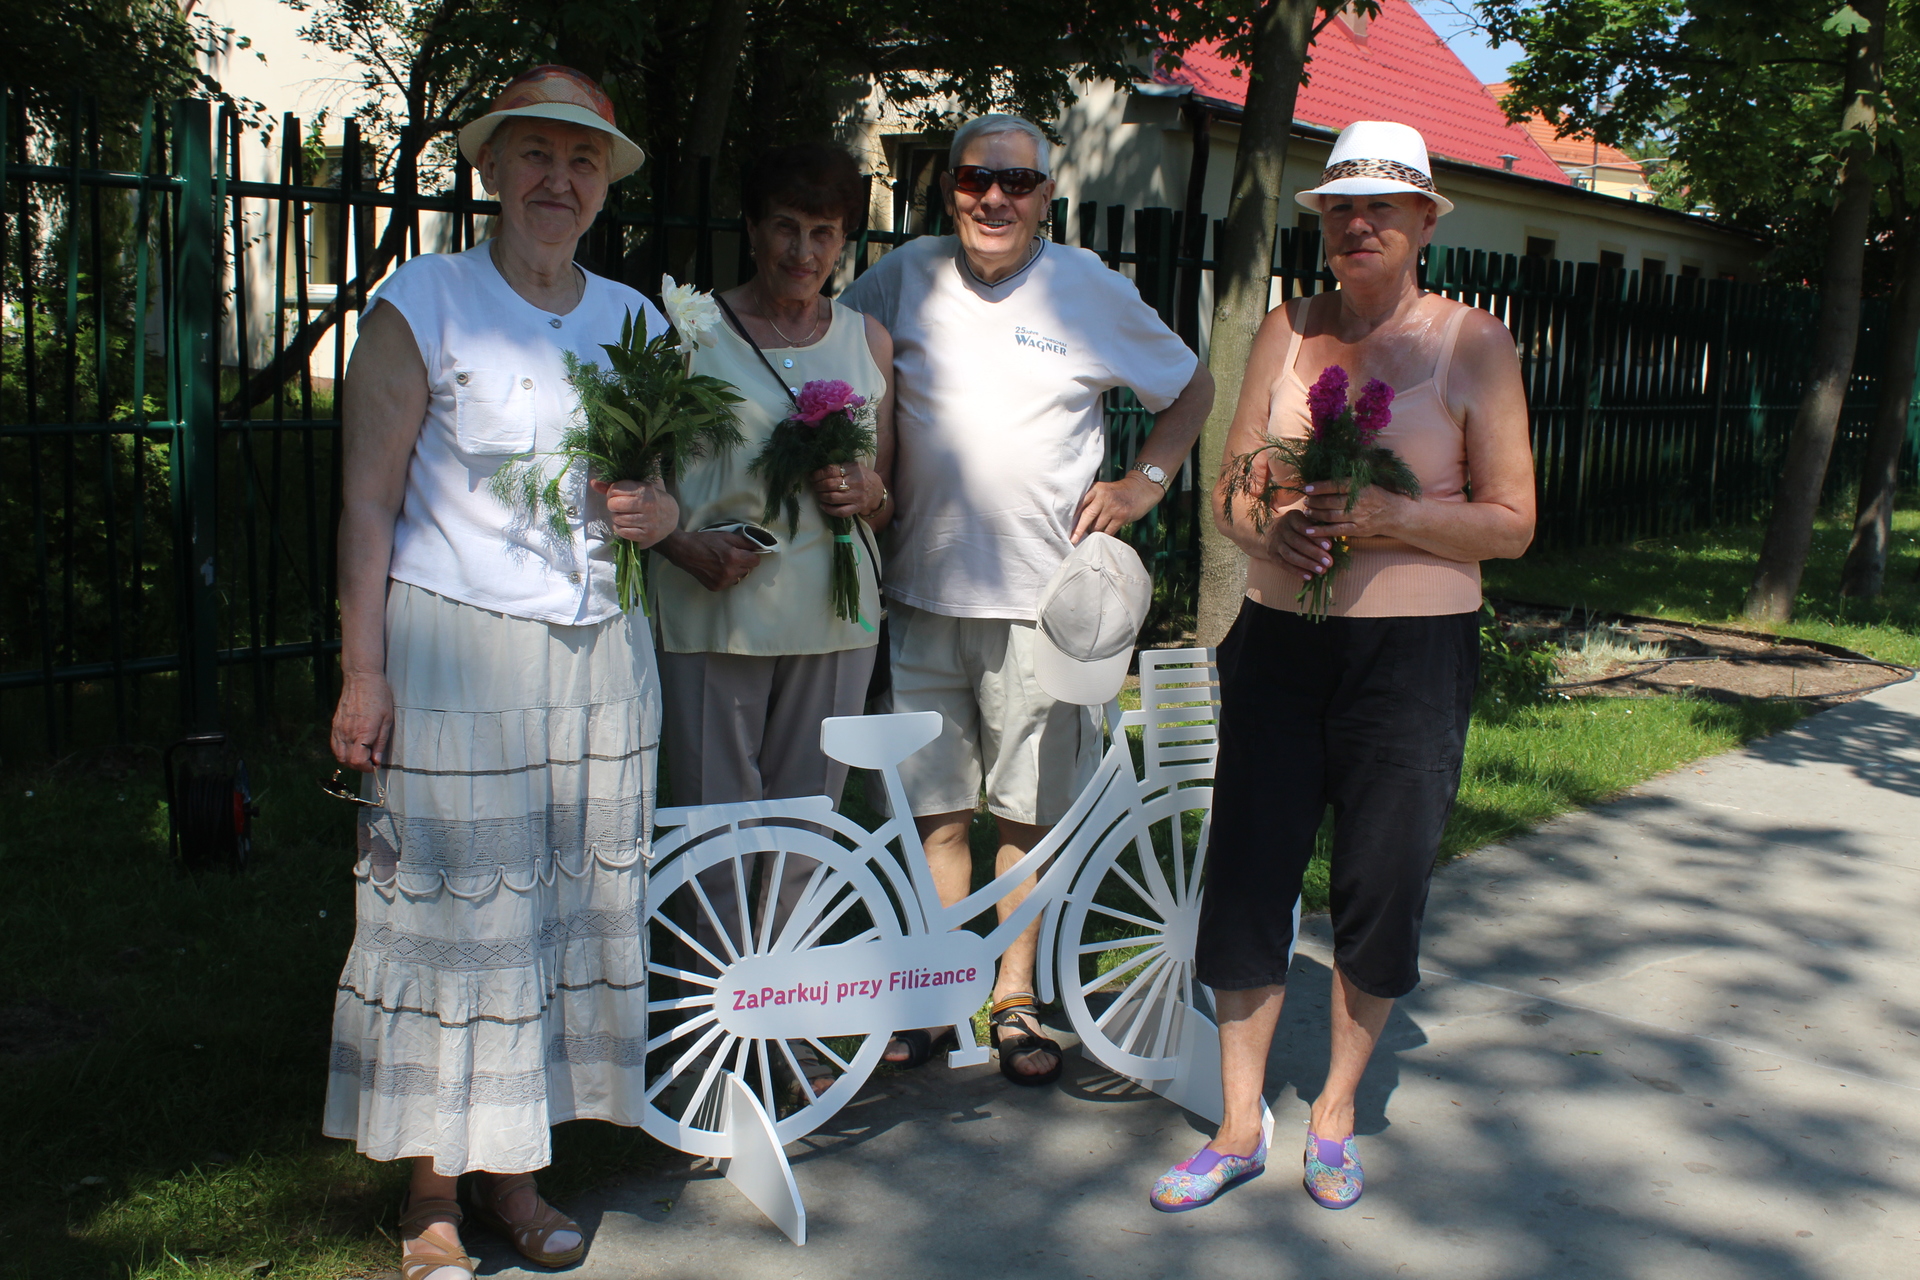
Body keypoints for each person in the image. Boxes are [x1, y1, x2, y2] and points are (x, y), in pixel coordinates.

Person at [323, 67, 678, 1280]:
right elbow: (367, 507)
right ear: (489, 168)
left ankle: (517, 1174)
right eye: (535, 153)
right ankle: (431, 1193)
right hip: (456, 653)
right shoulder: (422, 303)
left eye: (582, 161)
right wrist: (361, 674)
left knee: (556, 917)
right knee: (454, 916)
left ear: (603, 185)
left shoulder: (634, 321)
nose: (557, 180)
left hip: (600, 657)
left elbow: (659, 492)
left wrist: (660, 512)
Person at [1148, 121, 1535, 1213]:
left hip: (1412, 659)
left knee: (1383, 876)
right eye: (1339, 208)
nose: (1357, 224)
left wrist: (1396, 517)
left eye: (1382, 207)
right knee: (1247, 870)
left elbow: (1512, 523)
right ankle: (1238, 1125)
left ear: (1423, 221)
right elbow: (1231, 487)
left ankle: (1333, 1112)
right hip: (1277, 643)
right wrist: (1266, 529)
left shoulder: (1473, 342)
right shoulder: (1288, 326)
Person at [841, 113, 1214, 1085]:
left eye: (1016, 182)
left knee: (1027, 818)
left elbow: (1191, 388)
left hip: (1044, 610)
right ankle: (936, 997)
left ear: (1047, 196)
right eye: (975, 179)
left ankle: (1014, 999)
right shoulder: (902, 277)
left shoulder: (1088, 288)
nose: (994, 198)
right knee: (935, 815)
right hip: (919, 596)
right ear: (949, 188)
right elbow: (834, 366)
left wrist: (1144, 484)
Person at [648, 142, 894, 1100]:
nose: (802, 251)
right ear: (751, 228)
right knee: (714, 827)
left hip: (834, 615)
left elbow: (887, 493)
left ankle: (782, 1026)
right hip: (714, 604)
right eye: (785, 227)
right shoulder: (690, 331)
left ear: (844, 240)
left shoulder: (868, 342)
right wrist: (681, 545)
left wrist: (867, 491)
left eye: (823, 232)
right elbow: (643, 478)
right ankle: (710, 1039)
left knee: (804, 828)